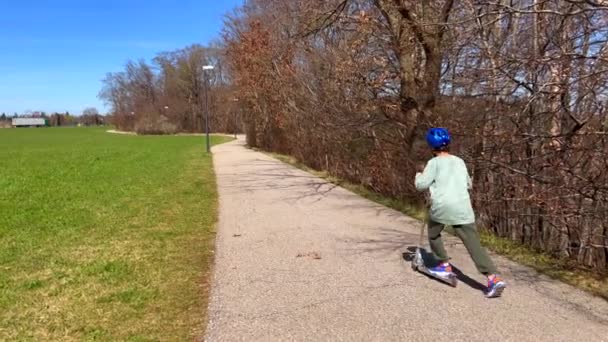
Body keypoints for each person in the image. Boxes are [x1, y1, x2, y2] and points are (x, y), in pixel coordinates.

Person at [415, 127, 506, 298]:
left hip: (442, 207)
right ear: (448, 144)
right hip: (463, 207)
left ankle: (443, 264)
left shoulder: (433, 163)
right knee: (473, 243)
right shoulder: (459, 161)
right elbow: (469, 184)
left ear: (431, 146)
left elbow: (421, 185)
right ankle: (493, 278)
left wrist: (418, 175)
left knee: (434, 233)